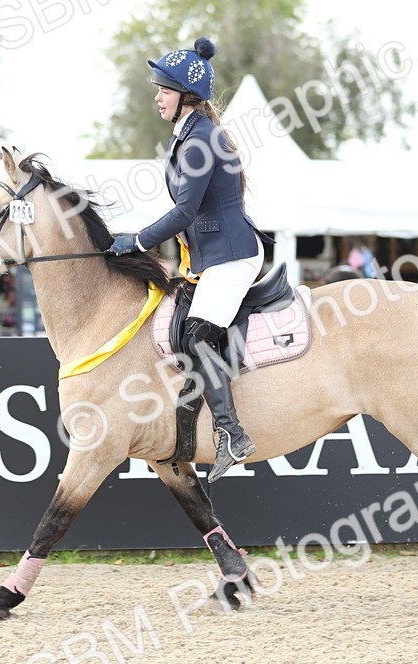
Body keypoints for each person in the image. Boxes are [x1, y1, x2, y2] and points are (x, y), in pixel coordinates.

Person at [106, 36, 273, 482]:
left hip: (232, 256)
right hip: (209, 256)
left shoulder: (200, 140)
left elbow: (184, 211)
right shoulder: (188, 135)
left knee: (197, 336)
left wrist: (137, 240)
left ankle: (231, 433)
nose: (157, 96)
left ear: (186, 96)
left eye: (163, 89)